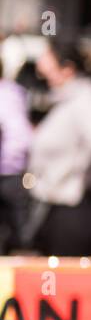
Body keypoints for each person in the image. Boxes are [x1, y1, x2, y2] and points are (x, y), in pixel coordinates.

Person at [26, 41, 91, 256]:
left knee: (67, 281)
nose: (42, 72)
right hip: (59, 207)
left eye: (48, 68)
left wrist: (82, 179)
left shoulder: (84, 97)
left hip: (76, 210)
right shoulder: (65, 100)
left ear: (67, 69)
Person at [0, 64, 33, 250]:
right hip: (14, 172)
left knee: (19, 234)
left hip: (9, 175)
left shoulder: (8, 94)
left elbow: (20, 138)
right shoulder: (14, 92)